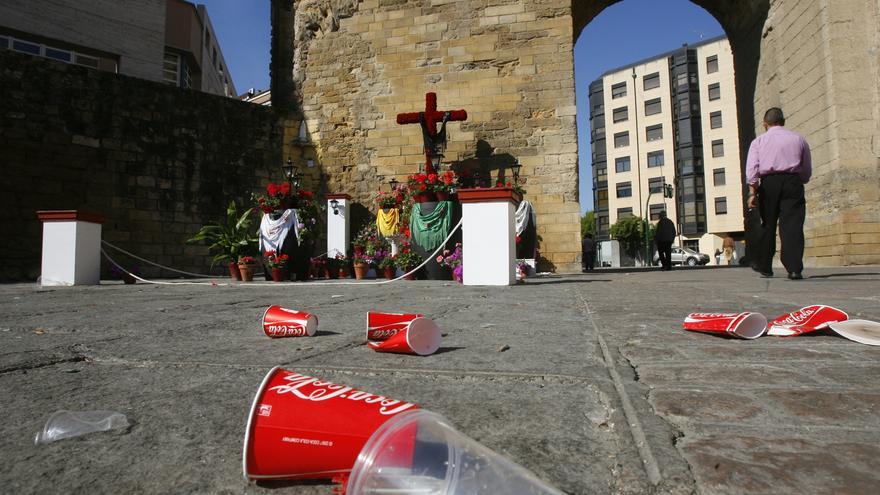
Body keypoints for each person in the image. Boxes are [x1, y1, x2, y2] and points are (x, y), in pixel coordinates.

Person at [746, 107, 812, 279]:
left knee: (767, 224)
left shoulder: (759, 142)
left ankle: (765, 265)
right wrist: (800, 180)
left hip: (769, 183)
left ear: (765, 124)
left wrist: (752, 192)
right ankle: (794, 268)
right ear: (783, 122)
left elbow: (752, 169)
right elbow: (806, 168)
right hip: (792, 182)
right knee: (792, 225)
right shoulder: (799, 139)